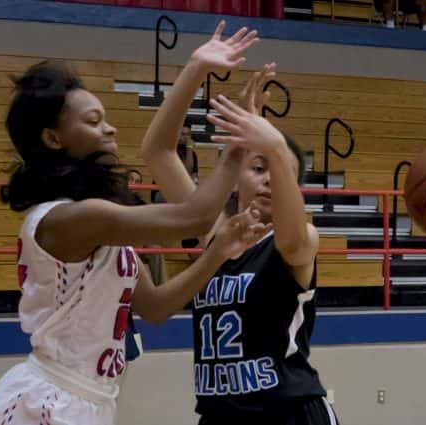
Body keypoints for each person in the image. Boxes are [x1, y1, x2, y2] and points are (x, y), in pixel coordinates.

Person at [0, 22, 264, 425]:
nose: (109, 127)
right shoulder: (75, 218)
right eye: (93, 121)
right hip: (50, 398)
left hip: (90, 400)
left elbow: (155, 307)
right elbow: (196, 215)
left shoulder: (99, 221)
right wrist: (237, 144)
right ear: (52, 138)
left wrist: (217, 251)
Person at [141, 40, 338, 425]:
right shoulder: (215, 233)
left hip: (288, 413)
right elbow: (158, 153)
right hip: (220, 416)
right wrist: (196, 68)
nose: (269, 180)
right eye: (258, 168)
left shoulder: (300, 242)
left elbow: (293, 238)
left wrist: (274, 145)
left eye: (279, 171)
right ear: (234, 180)